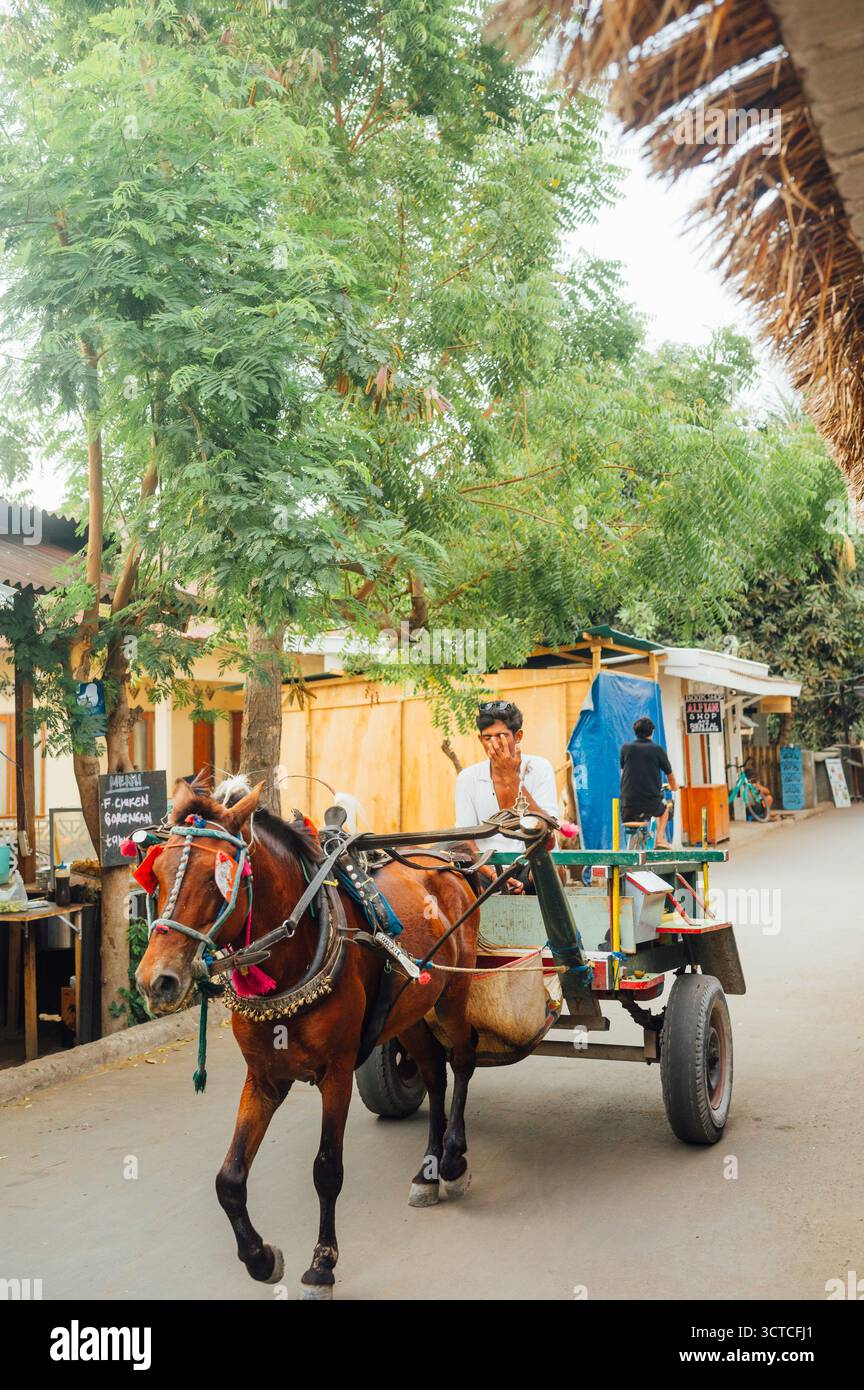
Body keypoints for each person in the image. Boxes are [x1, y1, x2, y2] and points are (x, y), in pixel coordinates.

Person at [455, 700, 558, 891]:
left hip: (531, 865)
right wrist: (496, 876)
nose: (494, 744)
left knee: (551, 871)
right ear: (480, 740)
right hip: (488, 869)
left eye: (501, 736)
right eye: (487, 738)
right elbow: (466, 841)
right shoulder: (468, 778)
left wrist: (512, 777)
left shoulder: (539, 768)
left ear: (518, 736)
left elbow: (547, 835)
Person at [619, 716, 678, 848]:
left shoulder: (625, 748)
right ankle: (659, 838)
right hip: (649, 803)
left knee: (634, 815)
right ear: (652, 732)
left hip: (627, 806)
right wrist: (674, 787)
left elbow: (623, 773)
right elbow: (670, 775)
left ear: (635, 732)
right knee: (665, 810)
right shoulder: (657, 749)